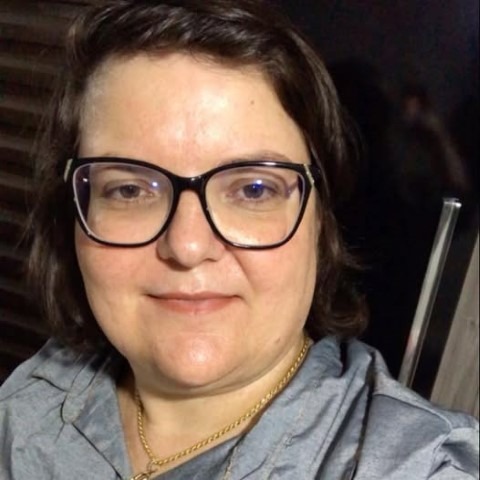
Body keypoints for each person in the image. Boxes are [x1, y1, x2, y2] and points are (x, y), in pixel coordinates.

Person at [0, 1, 478, 479]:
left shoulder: (420, 466)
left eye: (253, 190)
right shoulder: (35, 396)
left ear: (319, 221)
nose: (187, 247)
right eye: (129, 190)